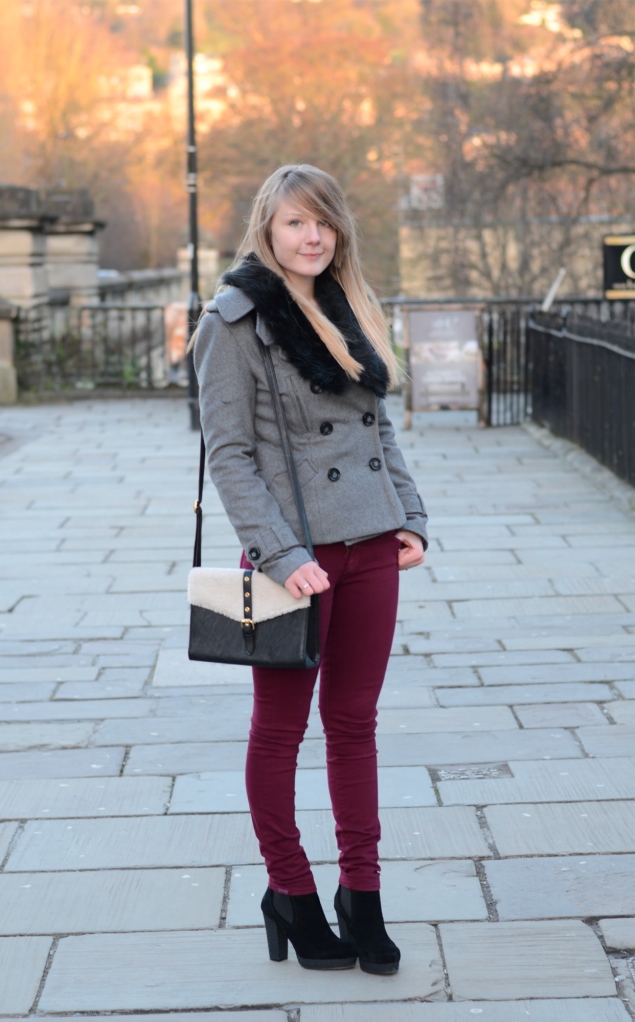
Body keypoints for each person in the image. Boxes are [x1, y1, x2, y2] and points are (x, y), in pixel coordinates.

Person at [192, 164, 427, 974]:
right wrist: (282, 556)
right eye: (295, 222)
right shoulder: (234, 323)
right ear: (267, 227)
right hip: (289, 559)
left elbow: (377, 430)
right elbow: (227, 457)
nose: (312, 236)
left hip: (371, 546)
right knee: (281, 730)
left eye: (323, 221)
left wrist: (410, 518)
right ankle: (288, 890)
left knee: (354, 725)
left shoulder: (350, 307)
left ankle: (361, 896)